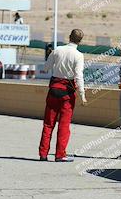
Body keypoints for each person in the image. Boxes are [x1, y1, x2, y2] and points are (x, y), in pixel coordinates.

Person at [38, 29, 88, 162]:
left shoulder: (58, 50)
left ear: (69, 36)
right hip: (67, 93)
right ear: (80, 41)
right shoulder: (78, 55)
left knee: (48, 124)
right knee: (64, 125)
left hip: (53, 90)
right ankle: (60, 155)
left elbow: (46, 68)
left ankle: (43, 154)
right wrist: (82, 95)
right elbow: (78, 77)